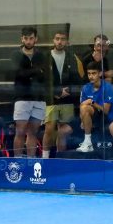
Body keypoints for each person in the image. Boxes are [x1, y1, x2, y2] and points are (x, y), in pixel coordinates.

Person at [43, 28, 85, 156]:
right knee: (49, 129)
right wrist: (56, 92)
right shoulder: (45, 57)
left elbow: (77, 79)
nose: (60, 42)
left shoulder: (72, 57)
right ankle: (44, 158)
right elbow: (43, 80)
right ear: (53, 40)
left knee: (62, 131)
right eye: (57, 39)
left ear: (66, 41)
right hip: (51, 99)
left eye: (62, 39)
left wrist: (68, 91)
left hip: (67, 99)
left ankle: (60, 157)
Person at [10, 26, 49, 158]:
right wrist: (36, 71)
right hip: (22, 97)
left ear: (35, 39)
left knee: (33, 133)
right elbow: (18, 74)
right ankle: (18, 161)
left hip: (38, 98)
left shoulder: (41, 55)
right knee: (20, 131)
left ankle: (31, 161)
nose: (28, 41)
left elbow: (44, 75)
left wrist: (29, 72)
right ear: (22, 39)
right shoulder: (16, 55)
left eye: (31, 38)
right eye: (26, 38)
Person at [74, 61, 113, 152]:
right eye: (89, 74)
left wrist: (92, 102)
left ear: (100, 74)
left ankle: (88, 142)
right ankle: (87, 142)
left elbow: (106, 110)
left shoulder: (108, 87)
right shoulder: (85, 87)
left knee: (86, 107)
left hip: (105, 117)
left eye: (94, 73)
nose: (91, 76)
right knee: (64, 130)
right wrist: (82, 120)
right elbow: (82, 105)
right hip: (90, 115)